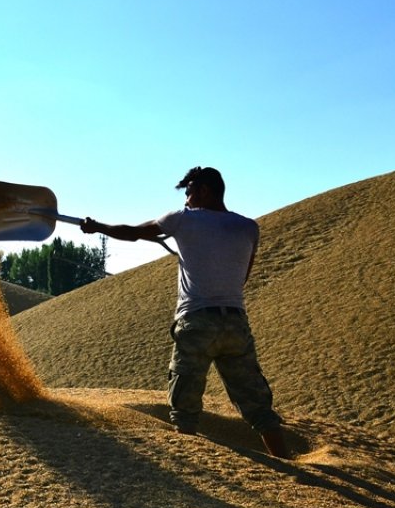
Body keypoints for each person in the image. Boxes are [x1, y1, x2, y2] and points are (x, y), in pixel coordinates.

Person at [80, 166, 291, 459]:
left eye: (189, 192)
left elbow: (134, 233)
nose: (186, 199)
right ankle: (289, 463)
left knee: (184, 407)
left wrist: (97, 227)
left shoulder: (182, 220)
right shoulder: (248, 227)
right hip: (235, 323)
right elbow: (242, 277)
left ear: (204, 190)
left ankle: (191, 466)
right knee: (257, 404)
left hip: (197, 323)